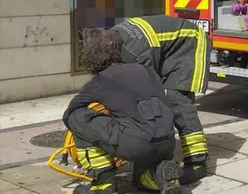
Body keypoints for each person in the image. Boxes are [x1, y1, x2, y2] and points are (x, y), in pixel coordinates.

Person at [80, 15, 212, 185]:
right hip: (165, 47)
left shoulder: (138, 52)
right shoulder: (109, 39)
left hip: (189, 44)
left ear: (110, 45)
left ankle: (197, 162)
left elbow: (145, 93)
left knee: (177, 102)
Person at [63, 34, 182, 194]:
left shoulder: (99, 82)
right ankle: (158, 173)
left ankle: (104, 183)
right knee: (141, 181)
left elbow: (69, 114)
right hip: (167, 142)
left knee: (77, 118)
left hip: (137, 144)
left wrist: (103, 119)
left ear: (91, 62)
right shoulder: (146, 70)